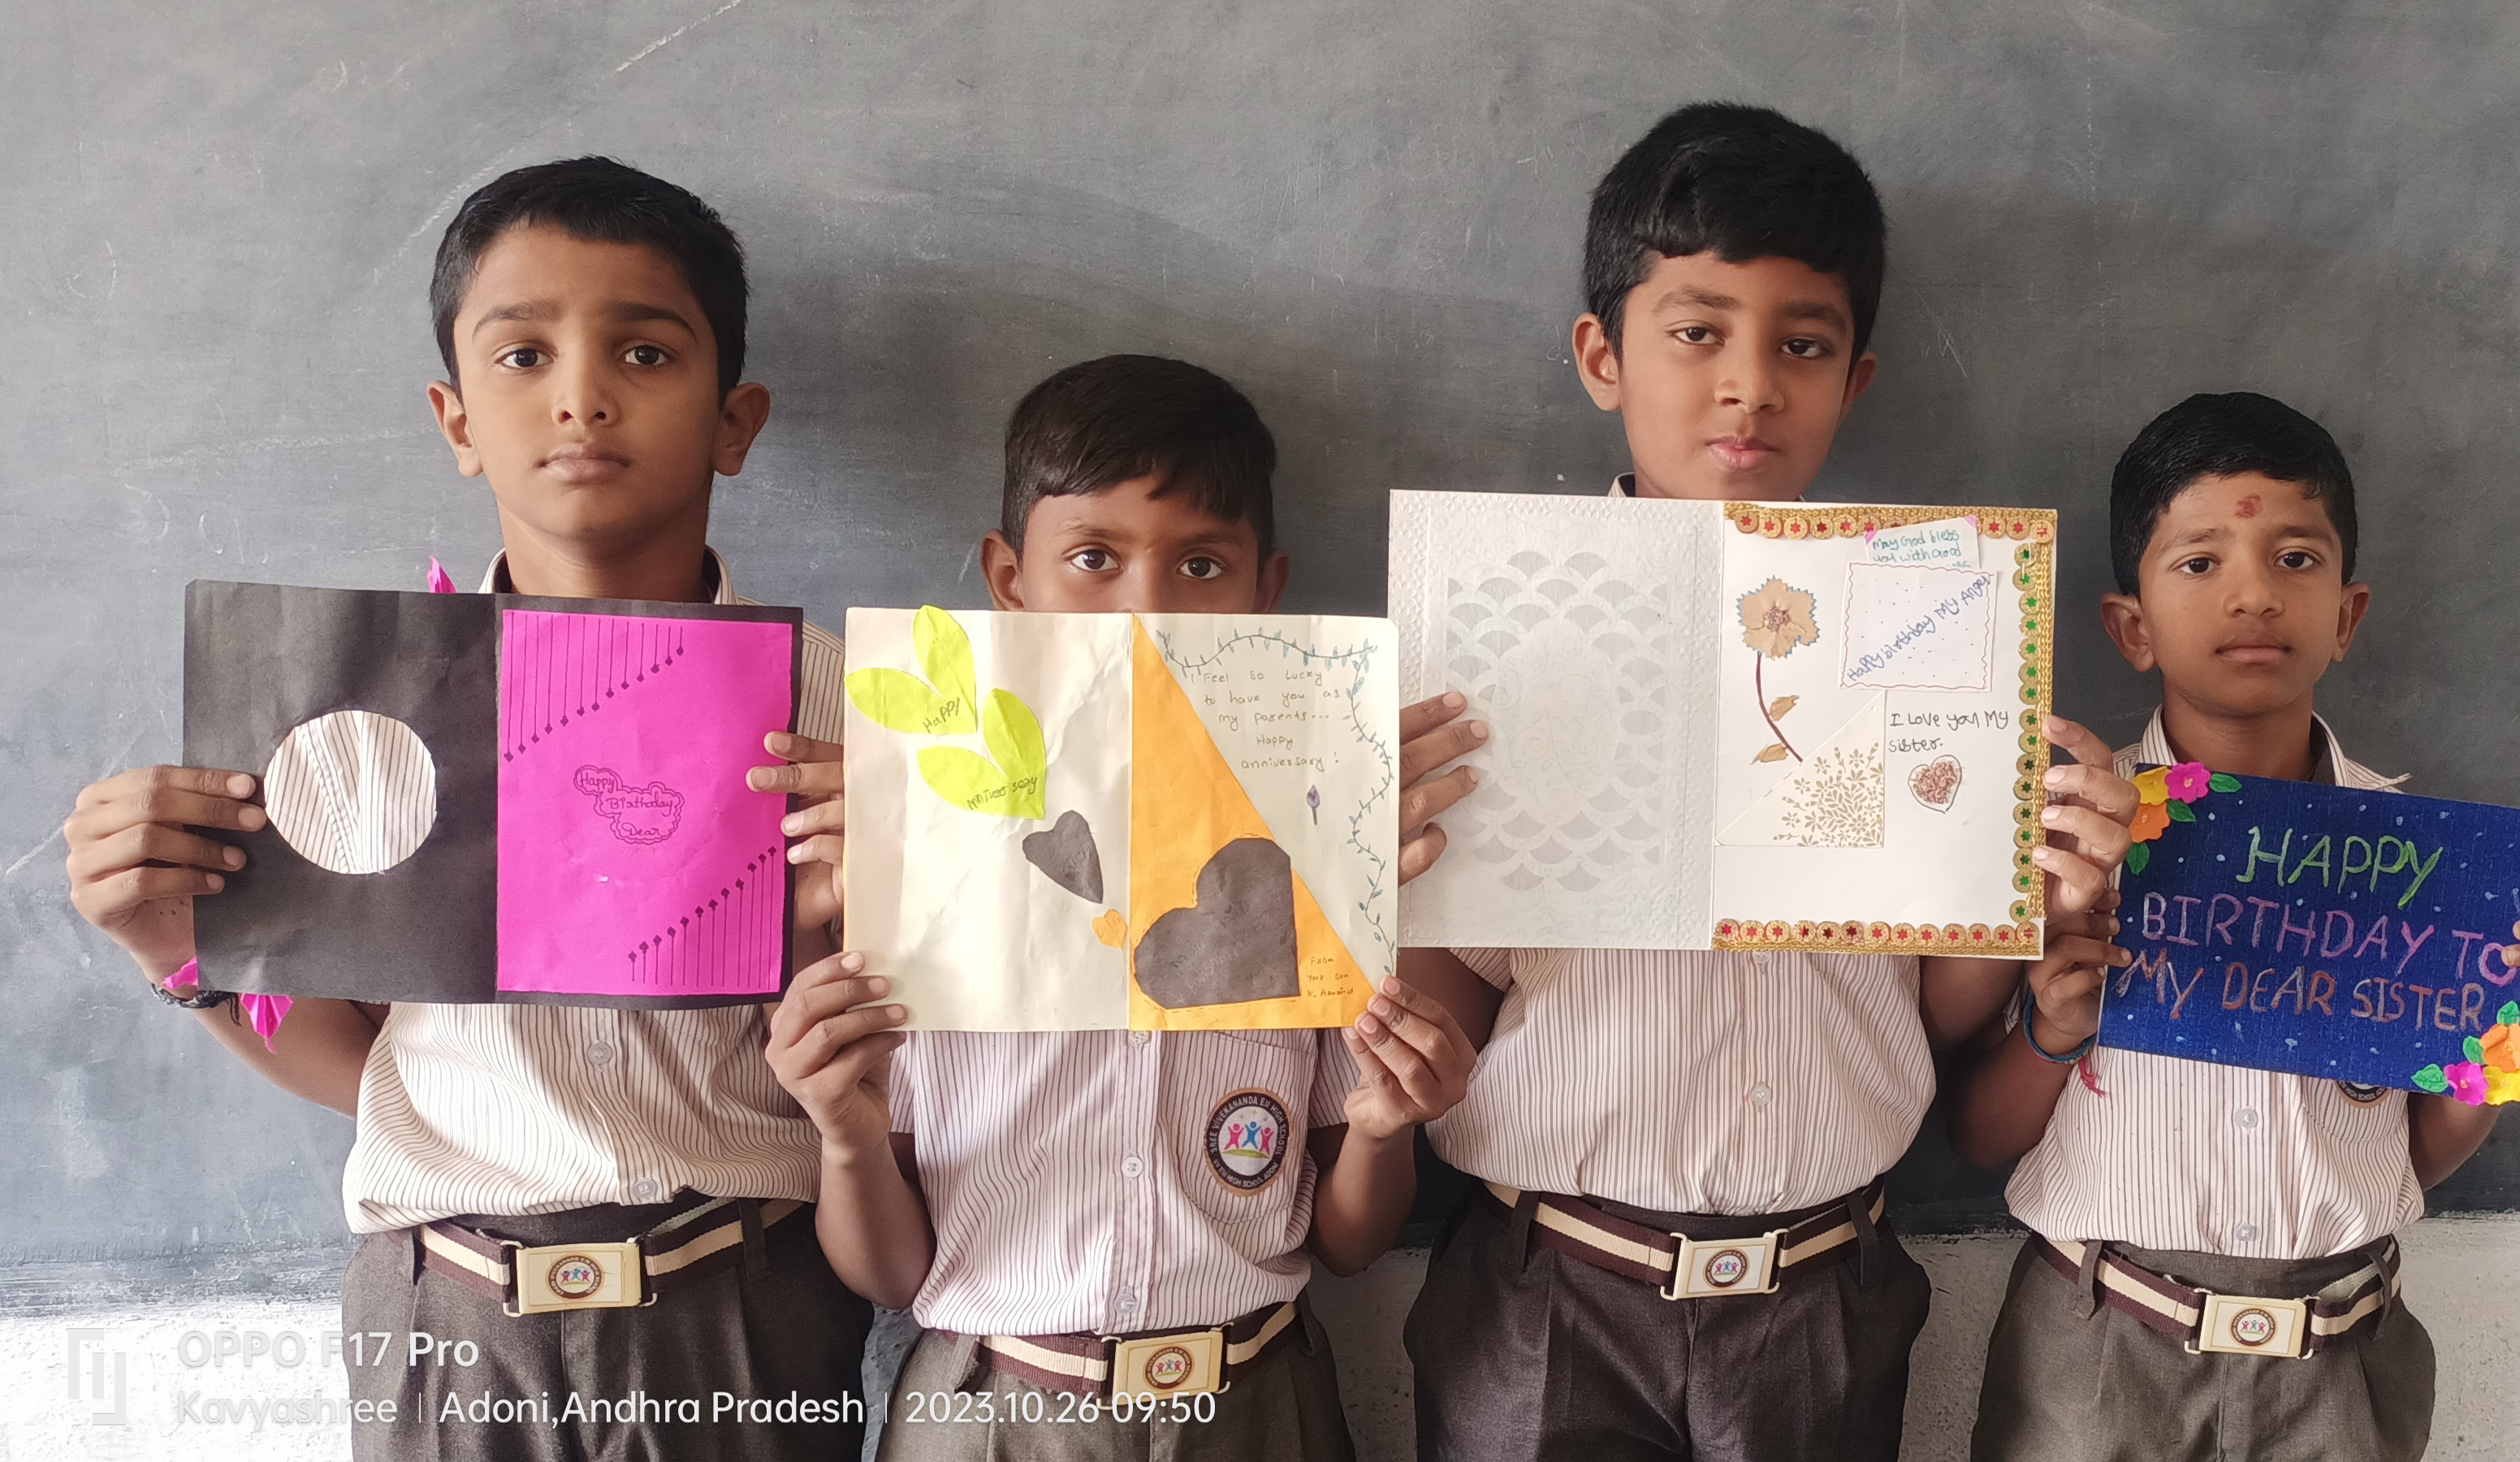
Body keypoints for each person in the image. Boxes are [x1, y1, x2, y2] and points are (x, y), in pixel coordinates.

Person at [59, 157, 874, 1460]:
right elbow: (363, 1064)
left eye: (646, 353)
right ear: (456, 421)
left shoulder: (855, 719)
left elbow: (900, 1080)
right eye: (522, 356)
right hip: (449, 1315)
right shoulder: (356, 712)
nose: (581, 396)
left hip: (745, 1302)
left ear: (736, 420)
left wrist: (881, 901)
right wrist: (176, 948)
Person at [1392, 102, 2137, 1462]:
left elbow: (1929, 998)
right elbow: (1455, 1013)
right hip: (1551, 1287)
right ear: (1602, 357)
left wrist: (2028, 887)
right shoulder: (1493, 634)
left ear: (1855, 376)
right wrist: (1383, 872)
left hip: (1822, 1289)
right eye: (1697, 331)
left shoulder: (1935, 628)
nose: (1749, 386)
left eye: (1802, 344)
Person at [765, 354, 1487, 1460]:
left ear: (1265, 589)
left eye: (1200, 563)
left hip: (1259, 1398)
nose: (1148, 605)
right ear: (1010, 579)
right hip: (993, 1408)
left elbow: (1348, 1243)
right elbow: (893, 1275)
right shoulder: (912, 862)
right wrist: (845, 1135)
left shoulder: (1310, 852)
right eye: (1094, 558)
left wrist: (1388, 1128)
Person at [1950, 391, 2520, 1462]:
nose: (2253, 593)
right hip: (2102, 1349)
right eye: (2201, 562)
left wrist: (2506, 1046)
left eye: (2296, 559)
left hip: (2341, 1356)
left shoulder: (2426, 873)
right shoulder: (2066, 843)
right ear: (2131, 626)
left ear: (2346, 616)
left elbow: (2412, 1157)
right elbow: (1977, 1138)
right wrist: (2051, 1031)